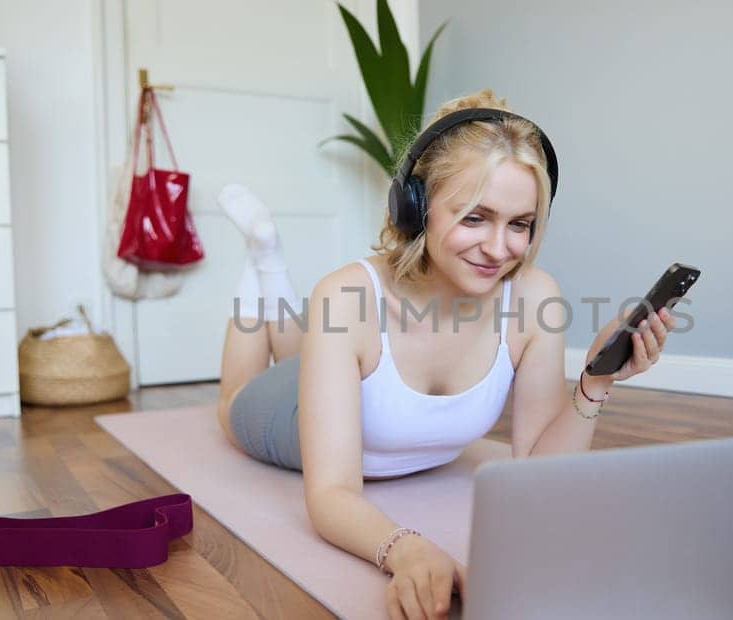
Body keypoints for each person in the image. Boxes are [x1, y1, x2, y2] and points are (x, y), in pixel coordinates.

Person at [213, 89, 676, 620]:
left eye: (519, 224)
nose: (500, 248)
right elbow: (331, 493)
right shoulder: (345, 295)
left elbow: (537, 474)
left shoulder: (534, 296)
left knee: (311, 340)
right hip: (285, 413)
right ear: (416, 207)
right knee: (232, 402)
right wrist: (408, 549)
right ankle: (264, 258)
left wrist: (596, 381)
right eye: (475, 218)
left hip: (347, 356)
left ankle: (286, 300)